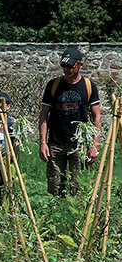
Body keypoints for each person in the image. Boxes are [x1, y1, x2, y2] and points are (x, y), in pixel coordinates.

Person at [39, 47, 101, 197]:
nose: (66, 69)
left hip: (79, 145)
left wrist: (94, 145)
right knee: (54, 187)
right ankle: (54, 215)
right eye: (63, 66)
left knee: (77, 187)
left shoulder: (88, 86)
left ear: (80, 65)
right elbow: (43, 115)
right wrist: (42, 143)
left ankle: (75, 217)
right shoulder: (53, 85)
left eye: (70, 66)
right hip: (56, 144)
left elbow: (96, 118)